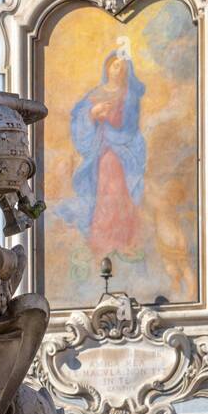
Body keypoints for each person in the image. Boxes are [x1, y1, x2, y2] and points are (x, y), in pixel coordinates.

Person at [59, 37, 146, 260]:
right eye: (115, 65)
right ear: (108, 66)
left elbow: (129, 125)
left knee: (117, 191)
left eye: (123, 67)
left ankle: (123, 240)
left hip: (121, 151)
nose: (118, 70)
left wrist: (109, 116)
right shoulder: (95, 93)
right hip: (100, 151)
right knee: (103, 192)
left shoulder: (130, 96)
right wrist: (92, 113)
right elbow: (79, 117)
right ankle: (102, 240)